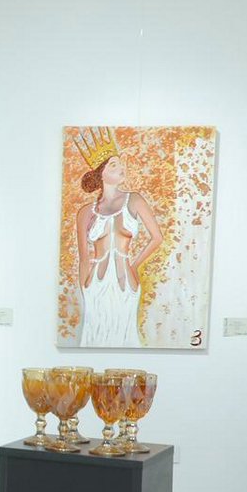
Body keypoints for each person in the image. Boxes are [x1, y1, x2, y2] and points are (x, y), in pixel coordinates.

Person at [72, 128, 164, 347]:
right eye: (113, 165)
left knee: (125, 336)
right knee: (95, 336)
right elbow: (83, 258)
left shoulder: (135, 200)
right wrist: (85, 290)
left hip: (126, 284)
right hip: (95, 286)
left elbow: (157, 238)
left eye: (120, 163)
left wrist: (134, 265)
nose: (121, 167)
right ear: (101, 173)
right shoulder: (85, 212)